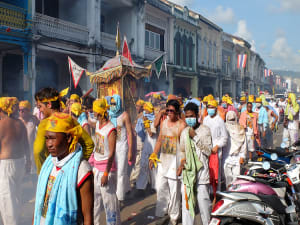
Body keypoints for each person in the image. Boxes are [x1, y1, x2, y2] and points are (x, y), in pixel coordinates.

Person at [32, 112, 93, 225]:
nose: (48, 144)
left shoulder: (81, 169)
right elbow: (39, 205)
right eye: (47, 138)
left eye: (53, 138)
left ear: (68, 138)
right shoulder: (49, 164)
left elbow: (87, 217)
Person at [33, 87, 94, 174]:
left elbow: (38, 151)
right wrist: (77, 165)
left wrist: (42, 173)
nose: (40, 110)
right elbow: (89, 144)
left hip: (52, 173)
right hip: (71, 172)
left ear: (49, 104)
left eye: (40, 106)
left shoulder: (44, 124)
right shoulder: (69, 120)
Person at [149, 99, 186, 225]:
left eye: (172, 111)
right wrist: (153, 155)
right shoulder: (164, 122)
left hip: (175, 161)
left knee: (175, 190)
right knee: (160, 187)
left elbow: (184, 147)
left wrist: (182, 163)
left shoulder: (182, 125)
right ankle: (162, 213)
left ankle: (174, 216)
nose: (169, 113)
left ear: (177, 112)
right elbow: (159, 140)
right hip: (163, 160)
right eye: (167, 110)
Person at [178, 102, 212, 225]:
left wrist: (195, 137)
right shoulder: (184, 132)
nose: (189, 119)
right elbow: (182, 151)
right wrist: (182, 163)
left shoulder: (205, 130)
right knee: (187, 208)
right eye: (187, 117)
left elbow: (208, 151)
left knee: (204, 207)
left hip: (202, 175)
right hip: (188, 175)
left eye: (191, 116)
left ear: (197, 115)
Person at [88, 99, 121, 225]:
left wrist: (106, 173)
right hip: (96, 168)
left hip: (106, 171)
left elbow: (111, 153)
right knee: (95, 201)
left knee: (109, 202)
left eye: (94, 111)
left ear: (100, 113)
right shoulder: (97, 124)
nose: (93, 113)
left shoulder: (111, 129)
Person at [0, 97, 30, 225]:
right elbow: (26, 144)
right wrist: (28, 161)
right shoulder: (20, 123)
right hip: (20, 163)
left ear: (3, 109)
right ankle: (16, 220)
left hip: (6, 164)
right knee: (16, 196)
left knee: (8, 199)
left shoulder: (1, 124)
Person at [203, 99, 228, 206]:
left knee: (216, 174)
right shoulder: (205, 119)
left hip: (216, 152)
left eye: (212, 107)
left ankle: (216, 195)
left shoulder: (220, 120)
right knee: (207, 173)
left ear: (216, 108)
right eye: (208, 107)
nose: (210, 109)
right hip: (206, 150)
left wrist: (218, 146)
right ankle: (208, 195)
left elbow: (225, 137)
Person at [109, 94, 133, 202]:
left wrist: (130, 151)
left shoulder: (124, 115)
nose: (113, 105)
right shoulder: (109, 115)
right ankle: (126, 188)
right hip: (111, 147)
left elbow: (129, 133)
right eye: (112, 103)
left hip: (122, 147)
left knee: (121, 172)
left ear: (119, 103)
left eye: (115, 103)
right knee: (113, 172)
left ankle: (119, 198)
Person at [136, 102, 157, 192]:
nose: (144, 111)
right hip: (146, 144)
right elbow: (140, 131)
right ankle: (141, 187)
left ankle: (155, 186)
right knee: (143, 165)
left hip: (154, 145)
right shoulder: (143, 119)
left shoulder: (155, 119)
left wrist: (147, 124)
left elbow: (152, 133)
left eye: (146, 110)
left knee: (154, 167)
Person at [223, 111, 246, 187]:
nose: (231, 122)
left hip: (237, 156)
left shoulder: (240, 129)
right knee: (228, 178)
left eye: (233, 120)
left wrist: (242, 156)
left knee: (236, 178)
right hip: (226, 157)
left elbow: (244, 144)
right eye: (230, 120)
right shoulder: (224, 128)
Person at [19, 100, 40, 173]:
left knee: (32, 171)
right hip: (20, 150)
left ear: (28, 110)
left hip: (31, 149)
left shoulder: (33, 119)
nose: (21, 112)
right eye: (20, 110)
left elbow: (41, 128)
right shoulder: (17, 121)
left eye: (23, 110)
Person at [130, 99, 145, 182]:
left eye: (138, 106)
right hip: (136, 141)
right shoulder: (138, 116)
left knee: (138, 161)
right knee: (137, 160)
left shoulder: (143, 116)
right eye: (136, 106)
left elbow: (141, 131)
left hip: (141, 141)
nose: (137, 107)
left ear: (142, 107)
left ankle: (134, 179)